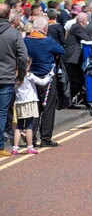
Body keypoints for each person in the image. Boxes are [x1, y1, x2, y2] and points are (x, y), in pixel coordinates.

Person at [23, 16, 65, 147]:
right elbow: (62, 51)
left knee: (35, 108)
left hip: (31, 77)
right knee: (48, 108)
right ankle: (46, 139)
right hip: (47, 77)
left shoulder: (26, 40)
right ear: (45, 28)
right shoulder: (48, 41)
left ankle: (32, 137)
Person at [0, 4, 28, 157]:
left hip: (7, 77)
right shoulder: (13, 33)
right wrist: (21, 76)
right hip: (7, 77)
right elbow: (23, 57)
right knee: (2, 112)